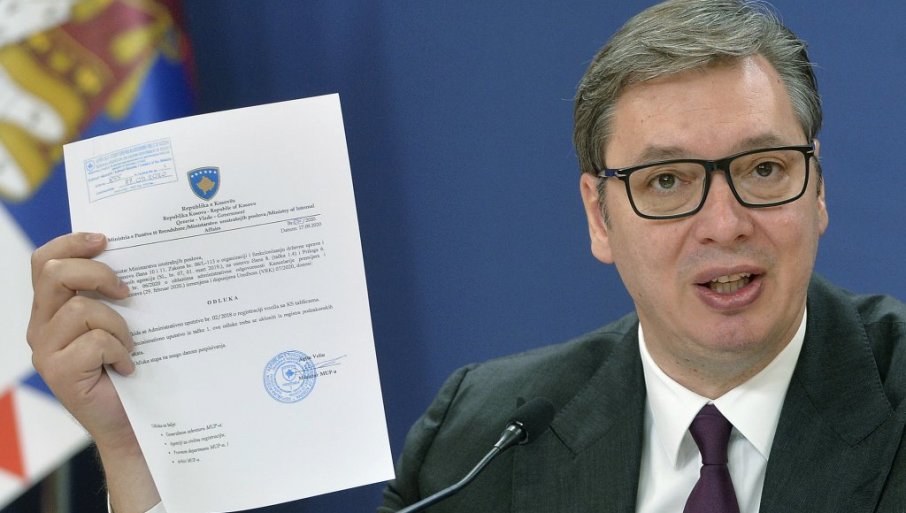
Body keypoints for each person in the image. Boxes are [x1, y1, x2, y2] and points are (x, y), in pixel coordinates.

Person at [27, 1, 906, 512]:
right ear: (599, 216)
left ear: (818, 188)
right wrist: (137, 453)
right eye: (668, 181)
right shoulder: (484, 437)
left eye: (762, 168)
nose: (724, 220)